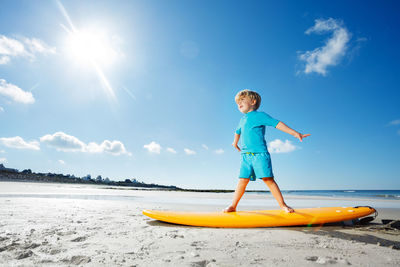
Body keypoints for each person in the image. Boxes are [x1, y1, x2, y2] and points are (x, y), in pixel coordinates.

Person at [224, 89, 310, 213]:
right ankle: (233, 206)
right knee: (242, 180)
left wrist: (295, 133)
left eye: (242, 100)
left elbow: (277, 123)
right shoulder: (242, 119)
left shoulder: (260, 115)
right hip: (245, 156)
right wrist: (235, 143)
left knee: (268, 179)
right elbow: (237, 131)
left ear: (253, 102)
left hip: (260, 154)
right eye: (237, 102)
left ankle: (283, 205)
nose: (239, 104)